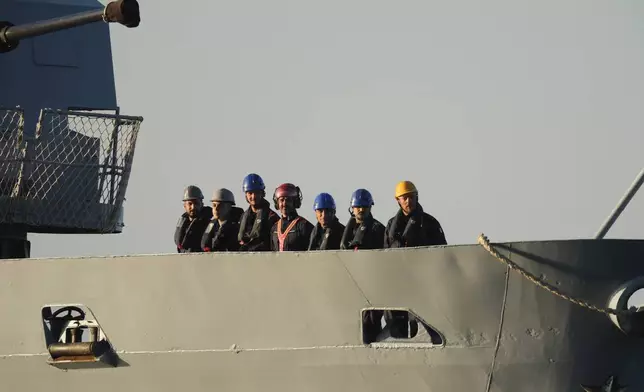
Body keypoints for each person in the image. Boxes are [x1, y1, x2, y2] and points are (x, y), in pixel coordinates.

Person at [384, 180, 447, 248]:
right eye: (404, 198)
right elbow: (386, 252)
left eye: (411, 197)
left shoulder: (430, 222)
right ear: (398, 200)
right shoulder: (391, 224)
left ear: (416, 197)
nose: (408, 201)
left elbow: (442, 251)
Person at [237, 173, 279, 251]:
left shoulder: (271, 217)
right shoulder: (243, 217)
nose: (253, 196)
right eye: (250, 193)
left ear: (262, 193)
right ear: (246, 195)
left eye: (256, 192)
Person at [270, 183, 314, 251]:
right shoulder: (274, 228)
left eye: (288, 200)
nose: (284, 204)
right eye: (281, 200)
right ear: (277, 203)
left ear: (295, 202)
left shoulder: (304, 226)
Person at [174, 185, 213, 253]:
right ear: (185, 206)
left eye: (196, 203)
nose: (193, 207)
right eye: (190, 204)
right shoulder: (183, 225)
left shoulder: (209, 224)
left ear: (202, 204)